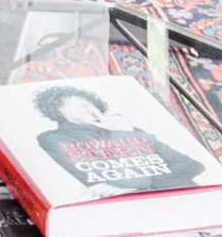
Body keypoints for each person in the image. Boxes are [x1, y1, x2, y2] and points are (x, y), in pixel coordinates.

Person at [26, 83, 210, 194]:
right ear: (59, 111)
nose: (90, 109)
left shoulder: (125, 129)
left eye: (89, 103)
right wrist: (124, 135)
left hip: (185, 197)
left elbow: (192, 166)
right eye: (80, 105)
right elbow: (136, 181)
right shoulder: (54, 138)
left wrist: (125, 133)